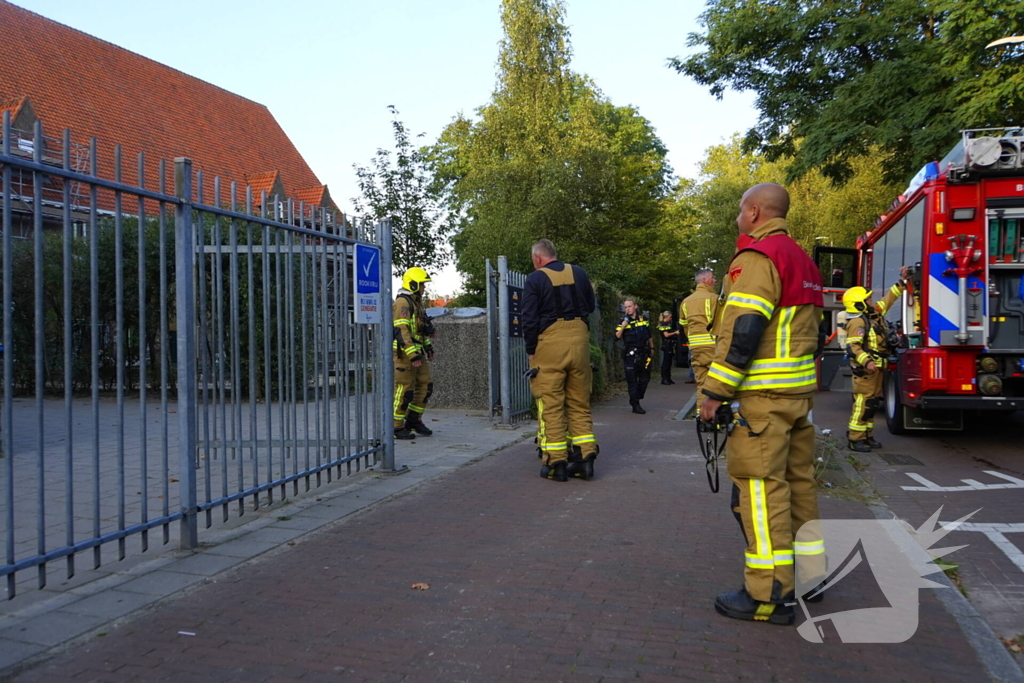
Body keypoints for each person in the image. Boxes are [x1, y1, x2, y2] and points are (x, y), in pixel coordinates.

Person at [699, 183, 825, 626]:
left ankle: (769, 593)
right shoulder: (804, 261)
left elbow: (744, 331)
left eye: (739, 211)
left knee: (759, 490)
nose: (737, 219)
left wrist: (715, 392)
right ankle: (810, 577)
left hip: (764, 401)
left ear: (754, 211)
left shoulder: (758, 258)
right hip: (798, 397)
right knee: (798, 485)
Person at [522, 239, 599, 482]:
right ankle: (585, 460)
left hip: (550, 344)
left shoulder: (535, 278)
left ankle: (557, 464)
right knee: (579, 403)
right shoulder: (579, 272)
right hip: (580, 342)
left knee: (552, 405)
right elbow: (591, 305)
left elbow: (529, 318)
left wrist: (531, 348)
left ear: (537, 258)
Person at [842, 268, 909, 452]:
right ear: (859, 304)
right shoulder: (857, 322)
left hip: (876, 369)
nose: (872, 301)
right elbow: (853, 347)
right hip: (866, 371)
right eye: (868, 299)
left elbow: (888, 299)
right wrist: (867, 361)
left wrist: (902, 282)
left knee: (871, 404)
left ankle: (867, 436)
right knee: (863, 405)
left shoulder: (872, 315)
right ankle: (855, 439)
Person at [392, 267, 435, 440]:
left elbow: (418, 331)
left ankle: (413, 421)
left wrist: (428, 347)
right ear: (413, 284)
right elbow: (401, 330)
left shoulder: (416, 303)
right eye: (422, 284)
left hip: (417, 352)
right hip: (404, 354)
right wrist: (412, 355)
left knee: (426, 386)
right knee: (404, 390)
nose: (424, 288)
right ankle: (395, 427)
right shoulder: (403, 303)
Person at [681, 268, 719, 411]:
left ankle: (701, 415)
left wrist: (692, 341)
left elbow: (685, 326)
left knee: (701, 382)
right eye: (712, 278)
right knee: (718, 383)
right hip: (713, 346)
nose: (715, 281)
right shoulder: (714, 299)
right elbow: (721, 324)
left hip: (695, 348)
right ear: (704, 280)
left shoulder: (685, 302)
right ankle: (716, 417)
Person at [616, 298, 653, 414]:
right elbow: (616, 336)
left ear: (635, 306)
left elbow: (649, 334)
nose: (627, 309)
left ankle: (638, 396)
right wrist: (623, 326)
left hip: (643, 354)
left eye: (629, 306)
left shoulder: (643, 319)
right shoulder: (623, 321)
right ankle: (635, 404)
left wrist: (652, 348)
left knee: (645, 379)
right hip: (630, 356)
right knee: (632, 381)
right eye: (626, 307)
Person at [657, 311, 679, 385]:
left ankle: (668, 378)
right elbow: (666, 335)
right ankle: (664, 379)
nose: (671, 318)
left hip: (669, 345)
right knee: (666, 363)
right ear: (666, 317)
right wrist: (675, 333)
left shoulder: (667, 324)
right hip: (666, 345)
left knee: (669, 362)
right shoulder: (663, 324)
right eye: (670, 317)